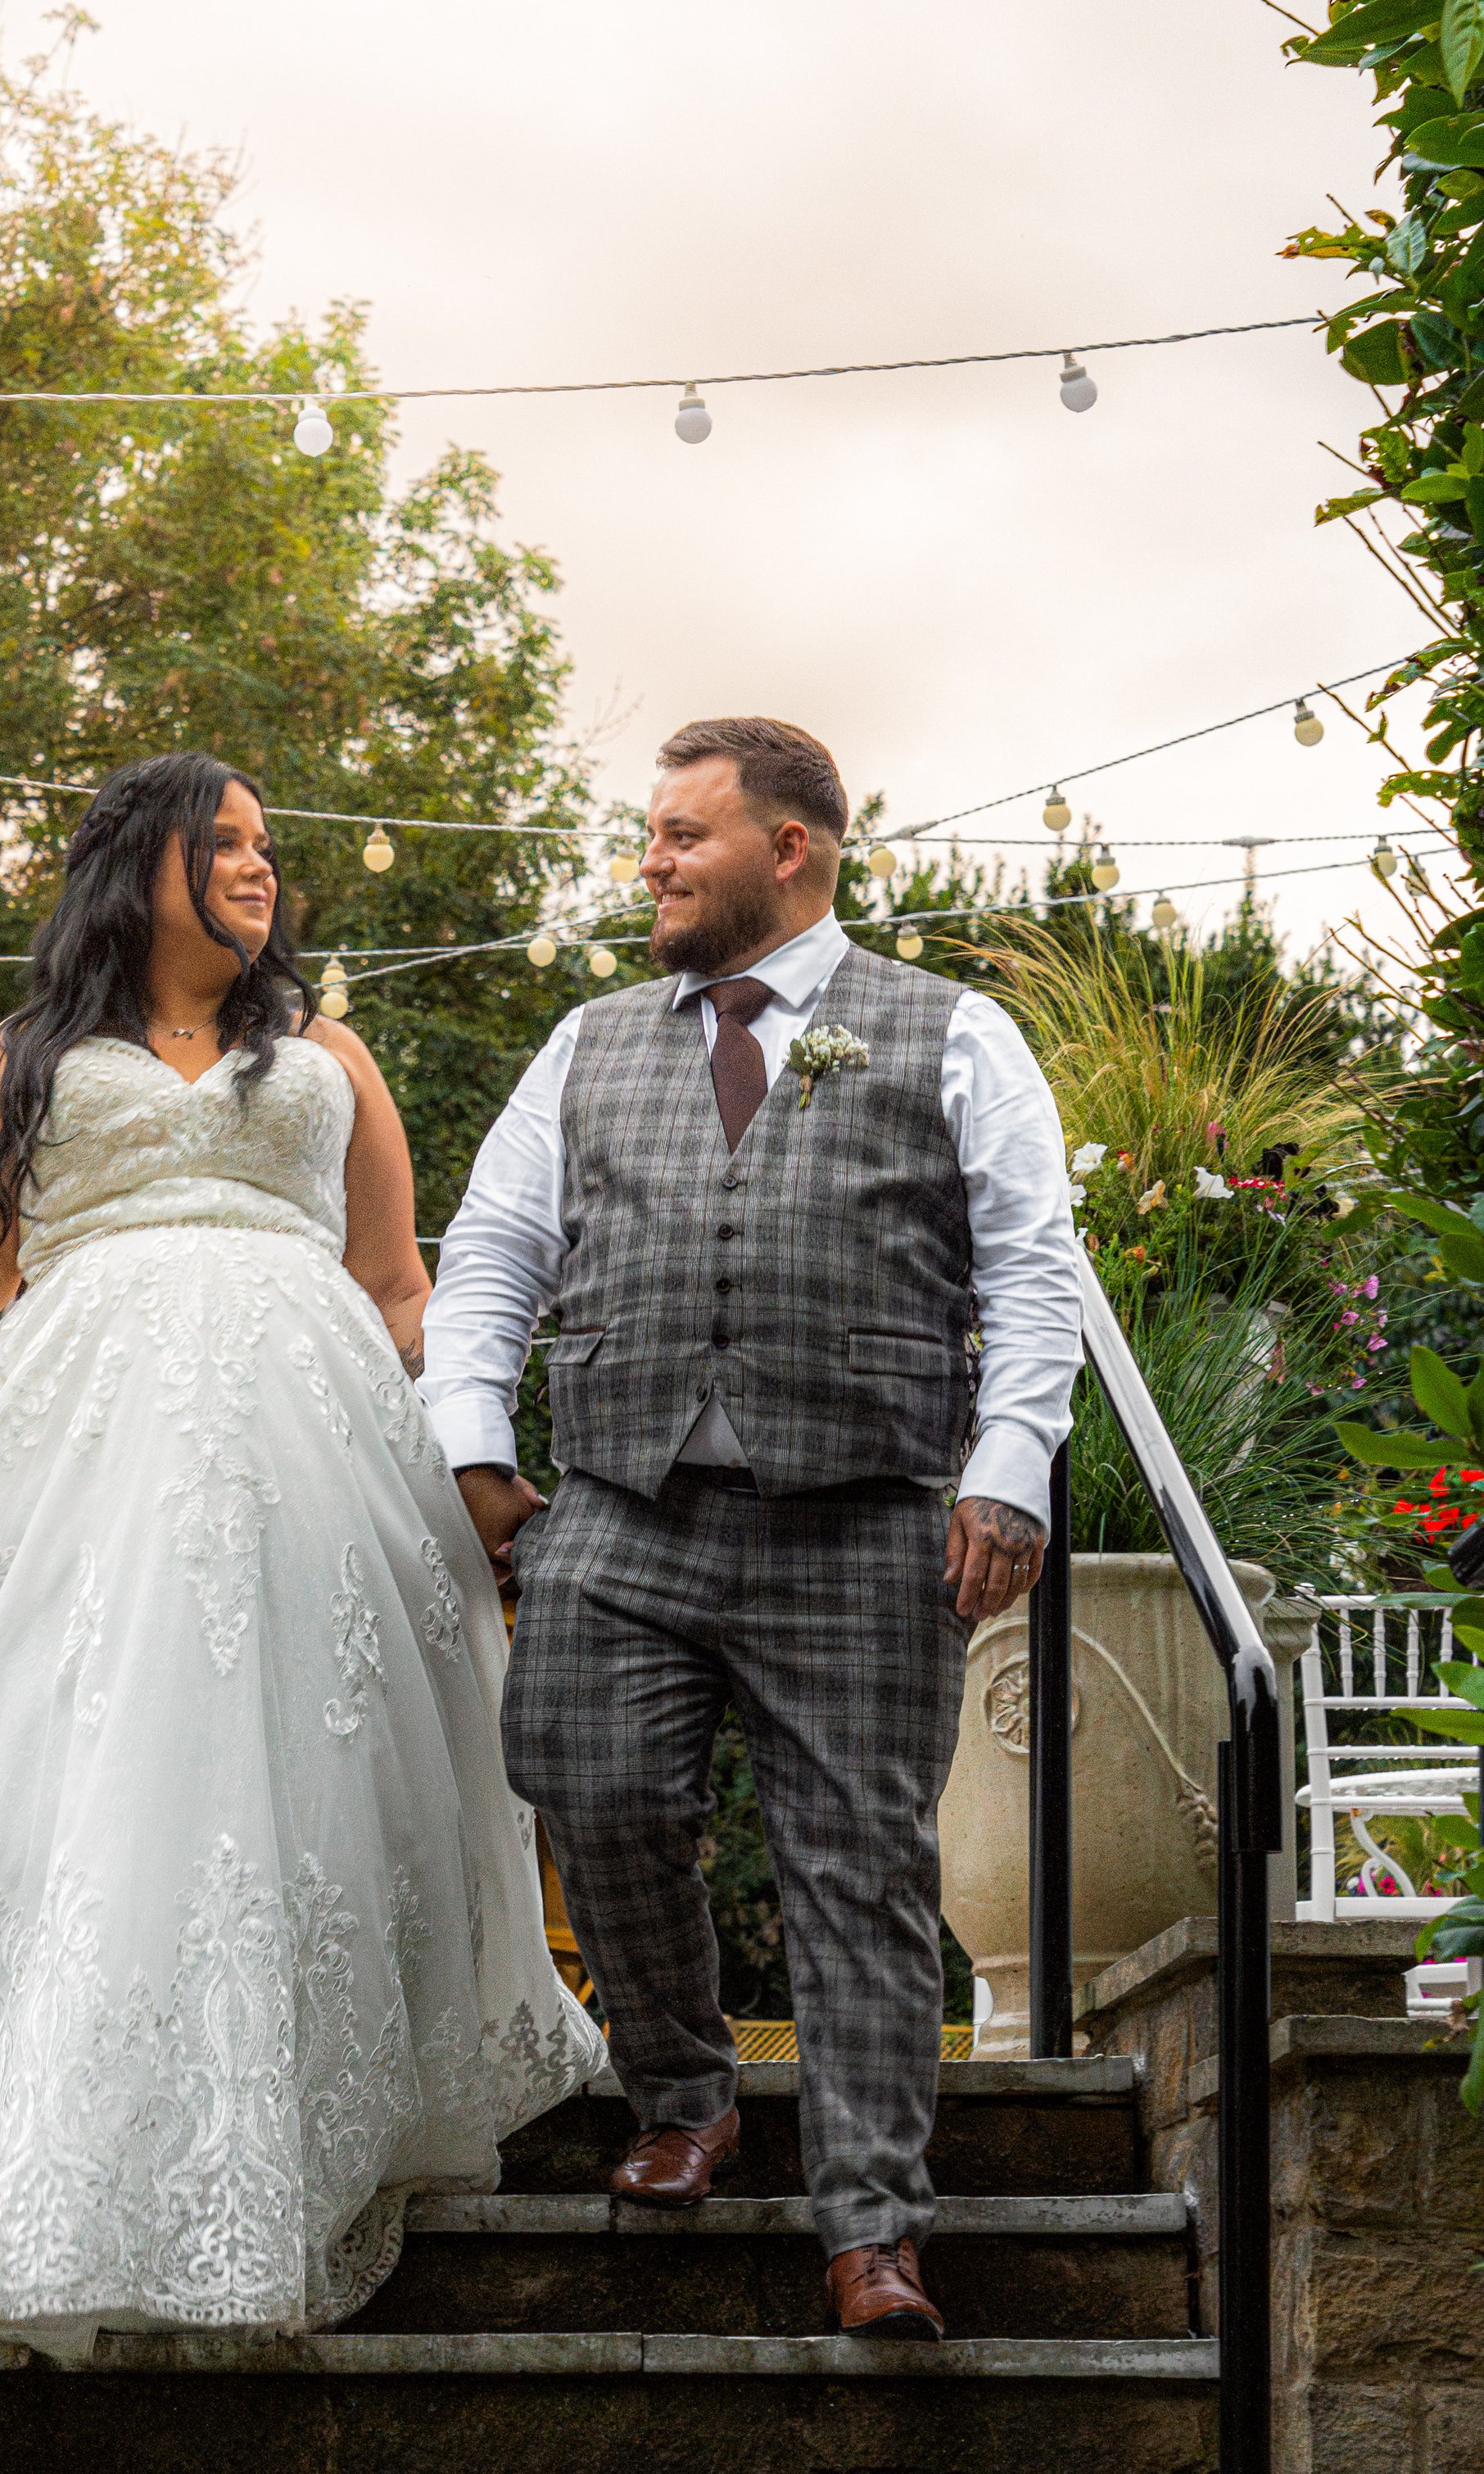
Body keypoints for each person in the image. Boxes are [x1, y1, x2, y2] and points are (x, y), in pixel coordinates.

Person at [0, 751, 604, 2360]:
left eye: (264, 844)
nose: (253, 864)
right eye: (220, 840)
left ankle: (289, 2121)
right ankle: (41, 2101)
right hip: (69, 1448)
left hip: (326, 1461)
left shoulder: (332, 1053)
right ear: (134, 862)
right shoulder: (25, 1058)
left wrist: (471, 1457)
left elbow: (396, 1283)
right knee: (74, 1754)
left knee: (315, 1763)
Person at [420, 716, 1079, 2342]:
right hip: (619, 1504)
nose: (649, 862)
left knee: (856, 1869)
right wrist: (470, 1440)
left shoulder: (949, 1035)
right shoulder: (586, 1043)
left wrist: (1010, 1460)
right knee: (581, 1776)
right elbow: (497, 1241)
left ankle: (870, 2231)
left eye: (680, 835)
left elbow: (1030, 1258)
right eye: (648, 835)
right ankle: (685, 2091)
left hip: (859, 1521)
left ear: (790, 848)